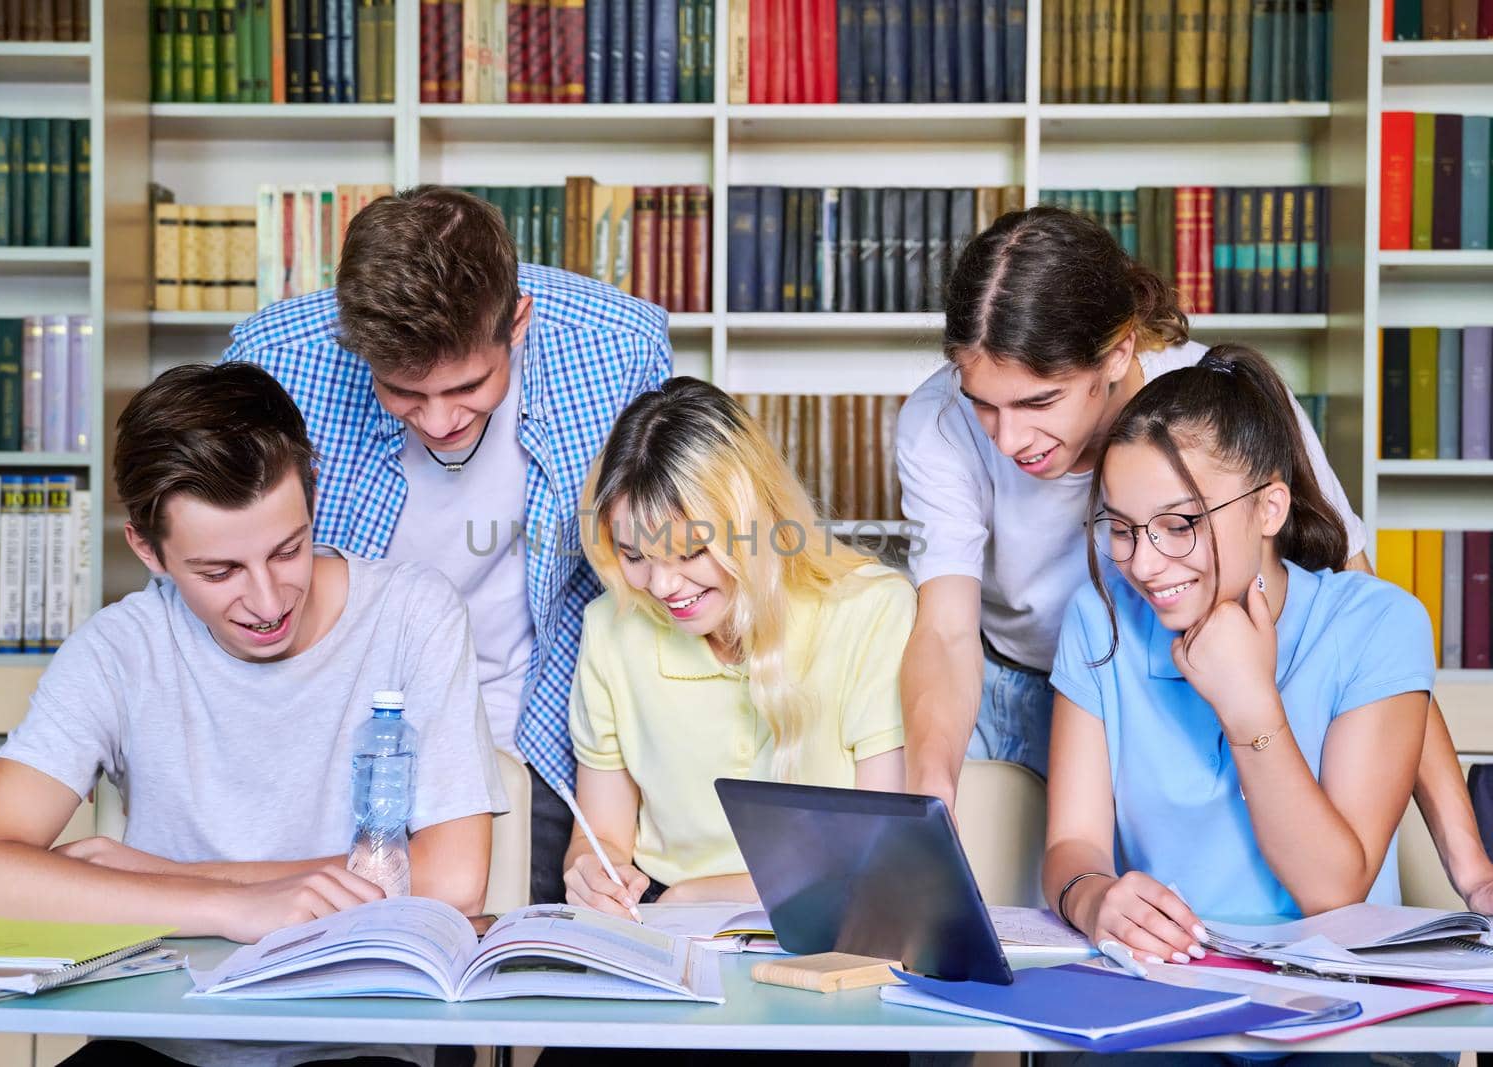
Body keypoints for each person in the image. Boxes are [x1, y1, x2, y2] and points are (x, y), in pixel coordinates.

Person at [896, 205, 1493, 913]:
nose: (1007, 438)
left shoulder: (1219, 407)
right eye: (984, 405)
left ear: (1118, 353)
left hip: (1206, 664)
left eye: (1039, 400)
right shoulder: (941, 426)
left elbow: (1376, 640)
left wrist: (1470, 859)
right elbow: (946, 632)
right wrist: (930, 789)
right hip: (1036, 674)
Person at [0, 362, 506, 1067]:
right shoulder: (119, 647)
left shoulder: (414, 614)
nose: (267, 601)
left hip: (362, 1042)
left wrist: (152, 878)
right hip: (160, 1039)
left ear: (312, 502)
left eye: (287, 550)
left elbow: (448, 884)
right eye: (220, 571)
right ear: (149, 549)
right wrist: (231, 906)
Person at [223, 185, 671, 907]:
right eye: (403, 392)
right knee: (349, 969)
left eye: (467, 386)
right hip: (338, 722)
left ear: (517, 321)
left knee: (545, 972)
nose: (437, 421)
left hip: (542, 723)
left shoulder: (619, 346)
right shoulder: (273, 361)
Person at [1044, 344, 1434, 957]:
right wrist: (1092, 897)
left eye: (1181, 525)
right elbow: (1073, 844)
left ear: (1269, 507)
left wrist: (1250, 707)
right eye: (1121, 529)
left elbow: (1333, 891)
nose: (1143, 564)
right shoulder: (1100, 620)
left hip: (1344, 1001)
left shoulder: (1378, 623)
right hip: (1169, 987)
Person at [560, 377, 912, 917]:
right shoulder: (611, 627)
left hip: (833, 920)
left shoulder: (872, 610)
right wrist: (590, 869)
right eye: (634, 555)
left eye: (691, 551)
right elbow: (602, 834)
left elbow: (881, 855)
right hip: (659, 918)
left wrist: (690, 898)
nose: (661, 587)